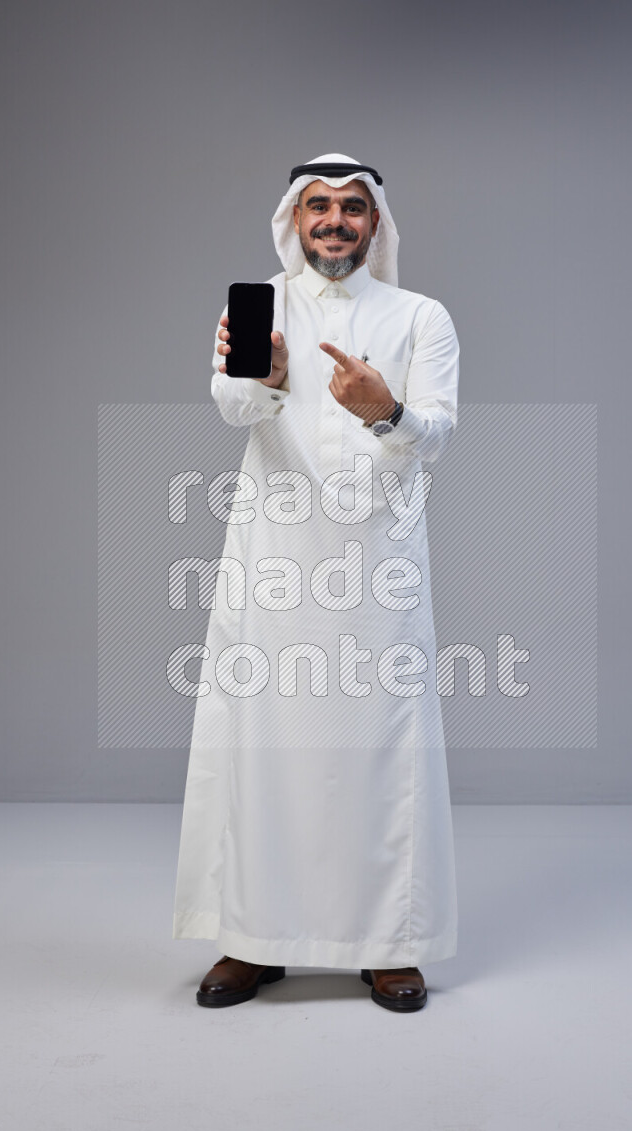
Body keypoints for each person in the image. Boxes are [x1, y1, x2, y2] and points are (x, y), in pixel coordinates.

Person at [173, 154, 460, 1012]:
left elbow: (438, 433)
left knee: (381, 744)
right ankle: (254, 940)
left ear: (376, 225)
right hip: (276, 555)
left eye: (352, 208)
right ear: (294, 221)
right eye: (318, 207)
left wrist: (386, 409)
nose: (335, 221)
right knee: (265, 743)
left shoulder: (421, 316)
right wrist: (261, 379)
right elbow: (230, 406)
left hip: (377, 562)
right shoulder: (254, 305)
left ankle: (389, 943)